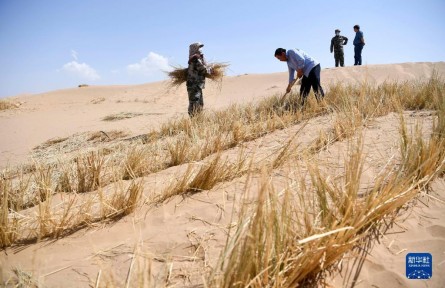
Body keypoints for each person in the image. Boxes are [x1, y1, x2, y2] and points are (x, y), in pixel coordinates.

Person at [187, 42, 211, 117]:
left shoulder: (194, 58)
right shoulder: (195, 59)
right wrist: (211, 69)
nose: (200, 49)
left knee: (198, 104)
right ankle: (195, 121)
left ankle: (197, 120)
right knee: (195, 104)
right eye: (199, 47)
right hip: (195, 86)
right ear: (195, 49)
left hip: (195, 86)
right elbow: (204, 70)